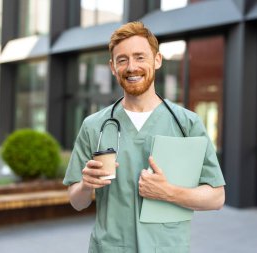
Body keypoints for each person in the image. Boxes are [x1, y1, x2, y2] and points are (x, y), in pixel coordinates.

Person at [64, 21, 225, 253]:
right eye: (122, 60)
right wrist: (86, 185)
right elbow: (76, 202)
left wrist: (169, 192)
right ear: (112, 67)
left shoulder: (186, 123)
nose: (132, 67)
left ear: (157, 60)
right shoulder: (94, 126)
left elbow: (216, 197)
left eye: (140, 57)